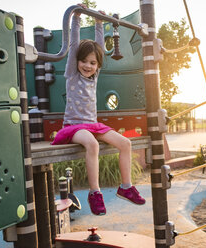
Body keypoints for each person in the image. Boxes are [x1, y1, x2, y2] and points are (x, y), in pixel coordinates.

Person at [51, 4, 145, 216]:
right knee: (92, 144)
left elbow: (99, 48)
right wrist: (77, 16)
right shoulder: (72, 74)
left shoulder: (94, 76)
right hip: (74, 127)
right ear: (77, 62)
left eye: (92, 63)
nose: (87, 65)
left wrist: (99, 23)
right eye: (83, 61)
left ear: (97, 65)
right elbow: (74, 44)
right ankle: (95, 193)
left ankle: (126, 187)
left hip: (92, 124)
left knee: (125, 143)